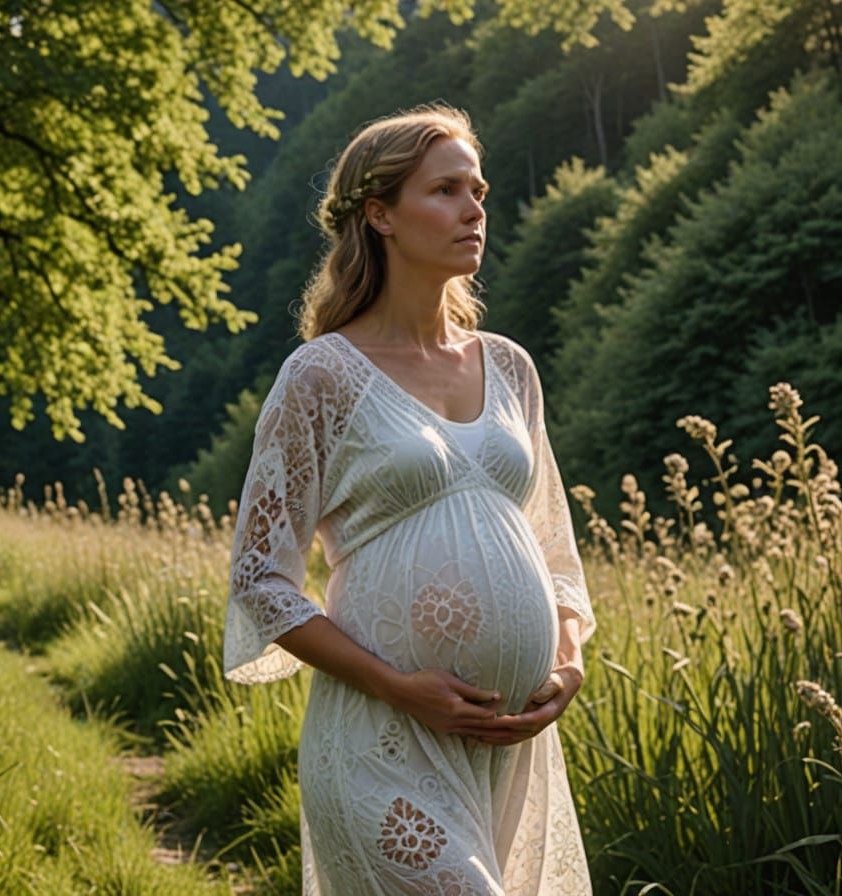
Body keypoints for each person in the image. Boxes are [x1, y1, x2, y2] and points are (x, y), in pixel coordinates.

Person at [222, 103, 596, 895]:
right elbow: (260, 576)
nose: (474, 210)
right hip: (381, 740)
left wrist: (567, 664)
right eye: (447, 190)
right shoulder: (321, 377)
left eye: (479, 191)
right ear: (380, 214)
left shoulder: (511, 368)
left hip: (510, 749)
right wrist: (400, 688)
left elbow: (554, 551)